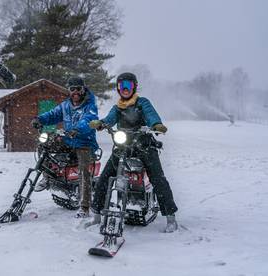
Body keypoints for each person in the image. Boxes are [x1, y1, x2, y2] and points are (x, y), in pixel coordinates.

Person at [89, 72, 179, 232]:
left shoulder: (142, 102)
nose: (124, 89)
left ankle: (171, 218)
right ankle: (96, 215)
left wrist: (156, 124)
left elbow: (151, 114)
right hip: (123, 147)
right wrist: (101, 123)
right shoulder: (118, 107)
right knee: (104, 178)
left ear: (134, 87)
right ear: (117, 88)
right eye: (121, 85)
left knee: (158, 179)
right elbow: (110, 119)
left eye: (128, 85)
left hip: (143, 146)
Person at [31, 76, 99, 218]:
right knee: (44, 144)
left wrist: (77, 129)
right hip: (68, 140)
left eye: (78, 89)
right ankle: (47, 176)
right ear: (69, 90)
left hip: (84, 142)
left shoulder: (90, 105)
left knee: (83, 172)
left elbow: (89, 120)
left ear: (83, 89)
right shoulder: (66, 105)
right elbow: (53, 114)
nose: (75, 92)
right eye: (72, 89)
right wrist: (39, 119)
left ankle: (84, 206)